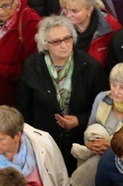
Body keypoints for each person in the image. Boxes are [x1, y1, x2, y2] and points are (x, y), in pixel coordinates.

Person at [17, 15, 109, 173]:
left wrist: (79, 120)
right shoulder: (33, 65)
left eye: (67, 39)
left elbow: (103, 107)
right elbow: (23, 106)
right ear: (45, 44)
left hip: (79, 142)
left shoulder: (90, 67)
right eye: (57, 41)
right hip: (43, 141)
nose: (64, 45)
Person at [58, 0, 121, 68]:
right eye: (65, 9)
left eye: (74, 11)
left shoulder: (111, 27)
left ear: (89, 9)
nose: (68, 15)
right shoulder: (57, 25)